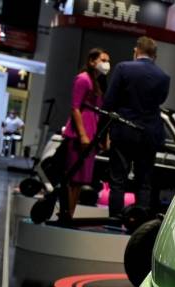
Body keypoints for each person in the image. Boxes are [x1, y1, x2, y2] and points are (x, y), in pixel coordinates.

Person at [102, 36, 171, 221]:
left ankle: (115, 220)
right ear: (155, 55)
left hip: (124, 131)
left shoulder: (123, 68)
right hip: (149, 134)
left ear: (136, 50)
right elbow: (160, 101)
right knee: (144, 182)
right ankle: (138, 222)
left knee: (118, 179)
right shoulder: (164, 77)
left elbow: (109, 101)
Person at [59, 48, 110, 219]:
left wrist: (102, 137)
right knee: (72, 178)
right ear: (92, 61)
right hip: (79, 135)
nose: (106, 64)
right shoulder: (83, 79)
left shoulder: (97, 83)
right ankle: (65, 212)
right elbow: (75, 107)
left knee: (80, 181)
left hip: (91, 134)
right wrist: (82, 134)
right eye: (103, 60)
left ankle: (70, 214)